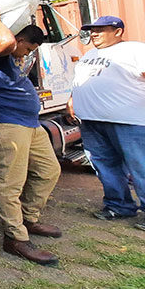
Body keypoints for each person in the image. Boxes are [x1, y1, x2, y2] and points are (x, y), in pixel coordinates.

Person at [0, 6, 62, 266]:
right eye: (28, 49)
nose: (26, 54)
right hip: (6, 124)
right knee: (11, 182)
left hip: (30, 124)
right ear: (19, 40)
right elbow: (8, 41)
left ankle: (28, 219)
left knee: (49, 170)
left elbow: (14, 47)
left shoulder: (11, 61)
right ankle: (14, 238)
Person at [66, 16, 145, 231]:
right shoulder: (91, 54)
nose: (94, 34)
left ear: (118, 31)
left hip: (129, 122)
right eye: (92, 31)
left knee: (141, 166)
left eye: (100, 30)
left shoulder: (135, 50)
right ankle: (118, 206)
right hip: (92, 121)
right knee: (104, 165)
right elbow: (83, 80)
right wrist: (73, 99)